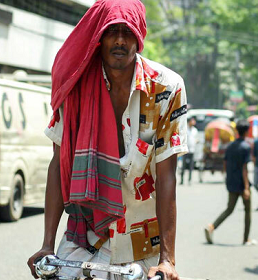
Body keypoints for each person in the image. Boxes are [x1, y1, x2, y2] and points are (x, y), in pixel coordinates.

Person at [27, 1, 188, 279]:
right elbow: (58, 162)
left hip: (142, 239)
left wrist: (168, 260)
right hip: (87, 236)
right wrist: (46, 245)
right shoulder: (75, 86)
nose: (120, 40)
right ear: (98, 36)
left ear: (139, 37)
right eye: (111, 30)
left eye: (128, 32)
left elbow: (166, 176)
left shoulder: (166, 88)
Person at [204, 120, 256, 246]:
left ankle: (212, 226)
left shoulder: (230, 146)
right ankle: (246, 238)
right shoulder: (246, 147)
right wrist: (247, 188)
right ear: (247, 132)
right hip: (242, 184)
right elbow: (245, 169)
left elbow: (225, 164)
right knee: (248, 211)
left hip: (231, 182)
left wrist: (228, 177)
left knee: (229, 209)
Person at [180, 116, 198, 185]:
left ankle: (189, 180)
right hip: (185, 150)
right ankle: (182, 180)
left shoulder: (195, 130)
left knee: (191, 166)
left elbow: (195, 138)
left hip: (192, 150)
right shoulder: (185, 129)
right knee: (183, 166)